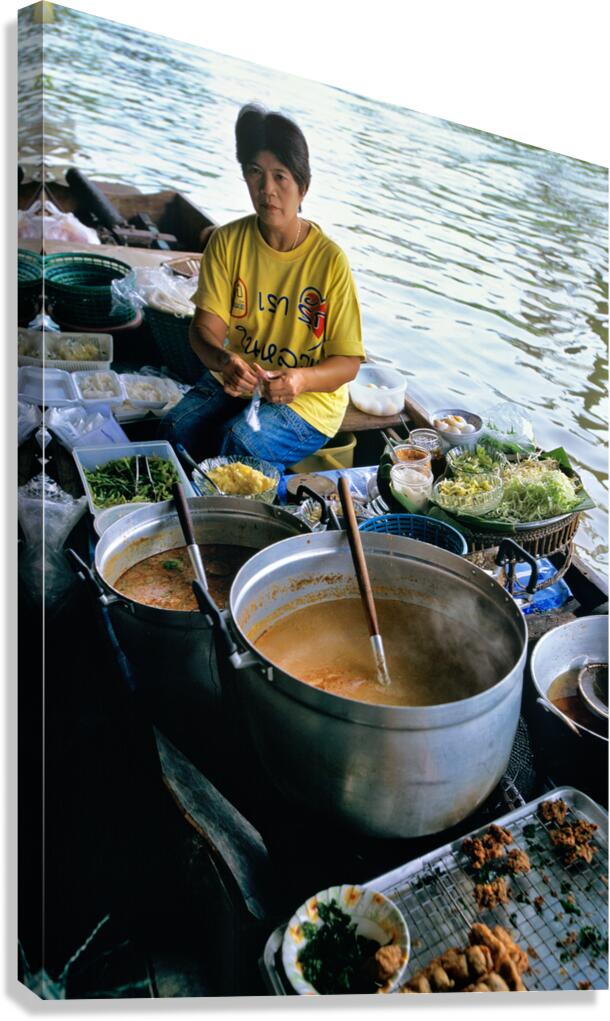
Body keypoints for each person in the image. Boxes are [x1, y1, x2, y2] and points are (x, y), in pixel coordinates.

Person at [159, 103, 365, 471]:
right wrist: (226, 361)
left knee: (238, 442)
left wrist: (300, 379)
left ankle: (272, 492)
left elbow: (348, 364)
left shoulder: (330, 261)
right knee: (174, 430)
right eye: (256, 173)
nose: (266, 189)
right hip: (239, 383)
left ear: (303, 186)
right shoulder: (227, 242)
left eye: (280, 176)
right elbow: (204, 330)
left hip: (308, 402)